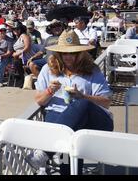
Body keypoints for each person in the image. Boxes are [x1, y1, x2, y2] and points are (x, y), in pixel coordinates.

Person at [31, 30, 113, 172]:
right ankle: (67, 169)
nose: (68, 56)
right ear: (58, 54)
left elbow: (106, 102)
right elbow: (39, 101)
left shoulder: (92, 70)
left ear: (80, 54)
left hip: (93, 121)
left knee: (82, 105)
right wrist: (50, 91)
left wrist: (83, 96)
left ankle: (46, 152)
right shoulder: (47, 70)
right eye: (64, 53)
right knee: (69, 138)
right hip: (63, 121)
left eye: (73, 53)